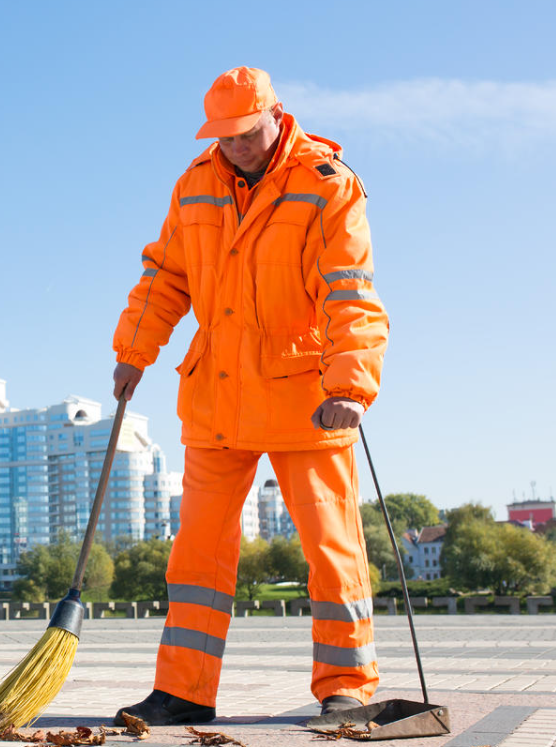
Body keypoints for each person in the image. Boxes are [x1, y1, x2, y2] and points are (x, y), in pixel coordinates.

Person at [111, 66, 389, 725]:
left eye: (245, 133)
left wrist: (351, 384)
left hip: (306, 396)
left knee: (331, 545)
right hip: (217, 393)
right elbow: (164, 277)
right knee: (197, 549)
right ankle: (183, 689)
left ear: (275, 114)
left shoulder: (327, 184)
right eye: (224, 136)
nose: (235, 146)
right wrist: (133, 351)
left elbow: (351, 294)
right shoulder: (195, 182)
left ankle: (344, 684)